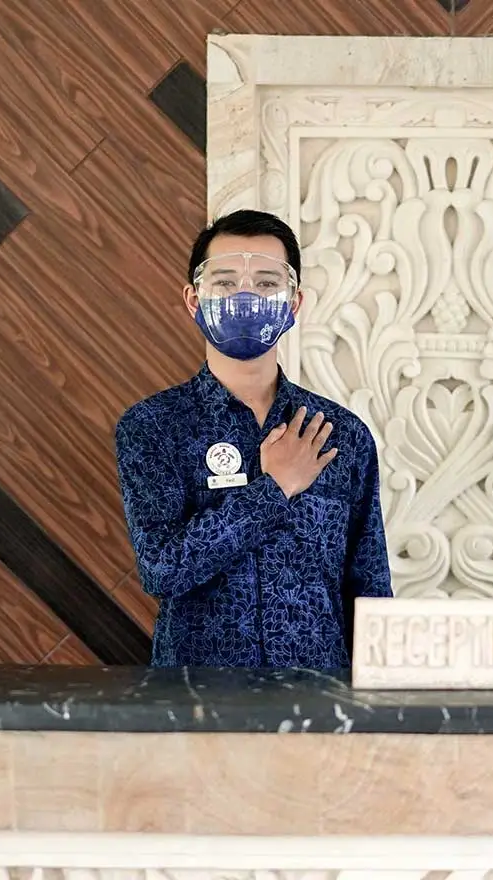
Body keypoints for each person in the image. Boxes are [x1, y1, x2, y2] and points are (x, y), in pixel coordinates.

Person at [115, 209, 392, 668]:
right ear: (194, 300)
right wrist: (274, 489)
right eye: (225, 283)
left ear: (294, 304)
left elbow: (370, 587)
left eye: (266, 283)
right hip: (199, 694)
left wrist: (376, 693)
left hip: (318, 693)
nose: (245, 297)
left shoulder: (340, 435)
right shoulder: (153, 427)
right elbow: (162, 568)